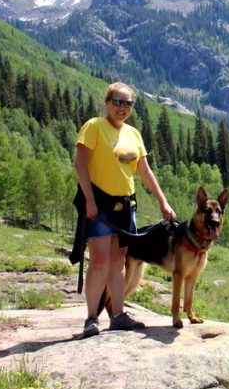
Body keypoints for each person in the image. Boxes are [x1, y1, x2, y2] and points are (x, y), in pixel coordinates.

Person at [74, 82, 177, 337]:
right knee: (99, 261)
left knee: (119, 261)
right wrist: (89, 201)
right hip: (100, 203)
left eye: (128, 103)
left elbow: (145, 172)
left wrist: (163, 201)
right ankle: (91, 319)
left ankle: (118, 315)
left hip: (126, 205)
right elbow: (80, 165)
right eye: (117, 102)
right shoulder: (94, 127)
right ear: (107, 102)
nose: (122, 107)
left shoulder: (133, 134)